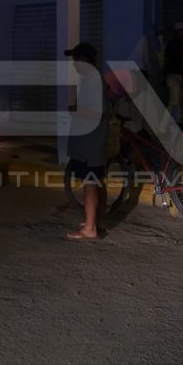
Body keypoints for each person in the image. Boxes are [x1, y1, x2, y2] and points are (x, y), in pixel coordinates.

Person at [64, 42, 109, 241]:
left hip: (91, 144)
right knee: (95, 182)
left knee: (89, 184)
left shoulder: (93, 81)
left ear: (84, 59)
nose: (74, 64)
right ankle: (95, 221)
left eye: (75, 59)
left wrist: (75, 110)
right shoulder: (93, 79)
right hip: (90, 143)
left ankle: (90, 229)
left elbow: (96, 113)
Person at [163, 22, 183, 122]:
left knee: (175, 101)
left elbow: (168, 60)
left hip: (172, 75)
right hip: (174, 75)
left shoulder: (172, 44)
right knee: (174, 102)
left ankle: (172, 122)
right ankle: (164, 124)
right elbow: (176, 61)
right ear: (179, 32)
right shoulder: (177, 44)